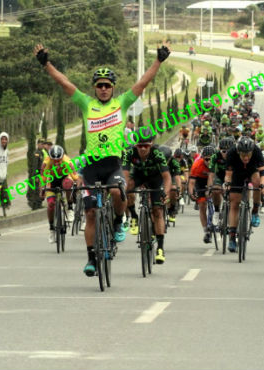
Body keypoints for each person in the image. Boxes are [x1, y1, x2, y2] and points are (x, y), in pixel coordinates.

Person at [34, 41, 171, 276]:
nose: (104, 89)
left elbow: (143, 83)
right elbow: (64, 83)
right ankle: (91, 259)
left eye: (107, 85)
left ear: (113, 87)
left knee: (118, 191)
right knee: (90, 214)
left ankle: (119, 221)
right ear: (95, 88)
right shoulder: (87, 104)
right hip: (90, 166)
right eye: (100, 85)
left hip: (112, 164)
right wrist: (46, 64)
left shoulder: (122, 103)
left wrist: (158, 60)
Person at [123, 128, 171, 263]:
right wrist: (124, 190)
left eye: (146, 146)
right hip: (137, 176)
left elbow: (167, 178)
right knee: (127, 188)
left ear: (151, 144)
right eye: (140, 146)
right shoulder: (129, 153)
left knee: (157, 211)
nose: (143, 149)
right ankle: (133, 215)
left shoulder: (157, 154)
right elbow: (125, 176)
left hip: (155, 180)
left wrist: (165, 193)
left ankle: (160, 248)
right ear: (135, 145)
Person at [224, 137, 264, 252]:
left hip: (252, 171)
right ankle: (232, 237)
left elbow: (263, 172)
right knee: (234, 203)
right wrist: (227, 184)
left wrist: (262, 186)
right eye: (243, 155)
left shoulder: (256, 151)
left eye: (248, 154)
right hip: (237, 174)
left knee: (257, 181)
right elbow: (228, 174)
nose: (246, 157)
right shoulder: (232, 152)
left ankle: (255, 211)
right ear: (238, 152)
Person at [40, 145, 82, 243]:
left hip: (64, 177)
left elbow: (75, 177)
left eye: (59, 160)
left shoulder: (67, 161)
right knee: (51, 205)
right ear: (50, 158)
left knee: (68, 184)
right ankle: (51, 229)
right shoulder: (46, 162)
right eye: (54, 160)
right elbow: (42, 179)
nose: (57, 162)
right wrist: (41, 190)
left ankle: (70, 208)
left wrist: (76, 188)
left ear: (62, 157)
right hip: (52, 179)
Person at [188, 145, 216, 244]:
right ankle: (206, 231)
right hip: (201, 181)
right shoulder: (197, 165)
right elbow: (191, 182)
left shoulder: (217, 164)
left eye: (211, 159)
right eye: (206, 159)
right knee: (202, 205)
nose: (208, 161)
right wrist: (191, 193)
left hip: (214, 179)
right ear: (202, 158)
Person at [207, 137, 235, 225]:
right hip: (220, 176)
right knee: (215, 190)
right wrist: (209, 187)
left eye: (229, 151)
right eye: (224, 151)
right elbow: (211, 174)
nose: (226, 154)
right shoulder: (215, 156)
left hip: (233, 176)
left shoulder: (236, 156)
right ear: (219, 150)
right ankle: (216, 211)